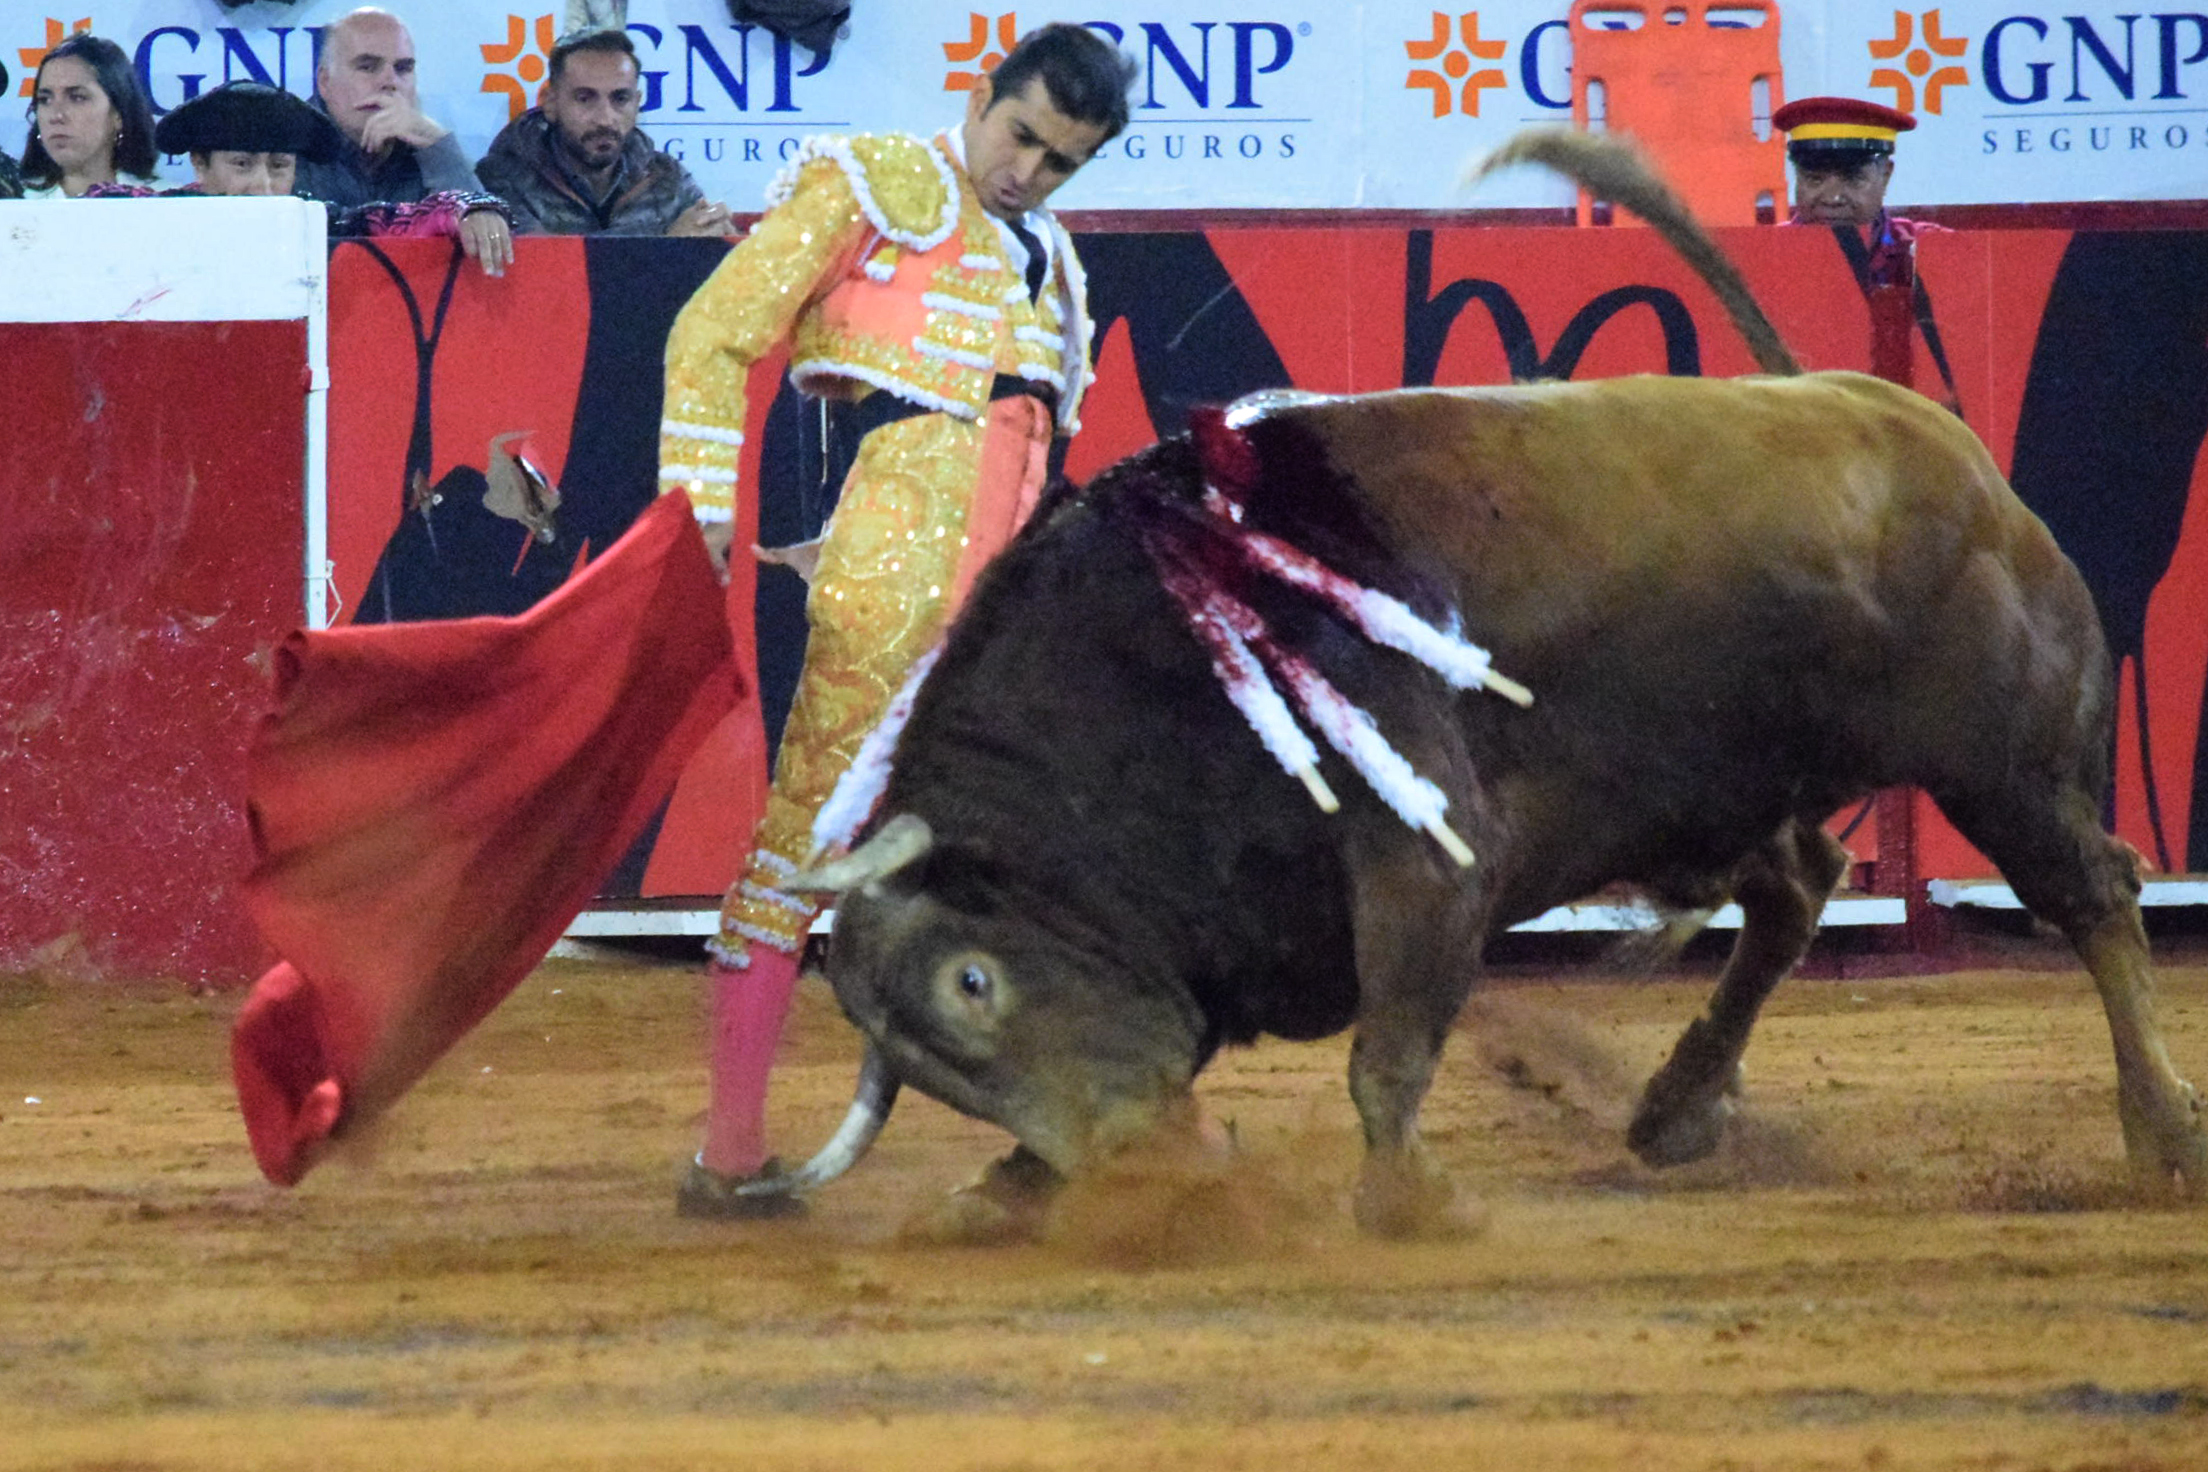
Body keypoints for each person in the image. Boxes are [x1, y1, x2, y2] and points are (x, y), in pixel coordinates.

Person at [659, 21, 1137, 1217]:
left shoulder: (1057, 266)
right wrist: (703, 500)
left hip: (1008, 601)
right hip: (893, 571)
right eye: (1021, 134)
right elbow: (713, 329)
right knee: (805, 844)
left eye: (1061, 161)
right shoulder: (878, 180)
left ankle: (1068, 1133)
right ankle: (728, 1149)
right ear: (983, 97)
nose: (1028, 170)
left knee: (1047, 859)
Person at [87, 79, 513, 247]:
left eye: (278, 166)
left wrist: (467, 206)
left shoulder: (311, 220)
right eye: (241, 165)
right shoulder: (164, 214)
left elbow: (392, 218)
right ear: (200, 164)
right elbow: (101, 198)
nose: (263, 186)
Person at [298, 7, 513, 275]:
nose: (390, 82)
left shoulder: (434, 154)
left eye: (403, 69)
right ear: (325, 81)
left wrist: (437, 145)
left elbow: (490, 256)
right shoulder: (287, 153)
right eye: (367, 66)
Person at [475, 28, 731, 237]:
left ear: (637, 103)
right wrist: (670, 248)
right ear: (550, 102)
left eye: (620, 99)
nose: (605, 118)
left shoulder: (666, 176)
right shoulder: (502, 180)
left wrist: (716, 235)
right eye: (585, 98)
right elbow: (547, 276)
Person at [17, 34, 159, 199]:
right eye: (45, 99)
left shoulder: (168, 202)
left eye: (77, 97)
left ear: (118, 114)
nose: (56, 115)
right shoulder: (15, 200)